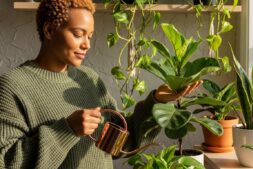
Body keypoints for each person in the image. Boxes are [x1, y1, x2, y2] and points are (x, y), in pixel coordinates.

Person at [0, 0, 201, 168]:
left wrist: (156, 102)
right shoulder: (13, 85)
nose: (86, 44)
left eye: (90, 36)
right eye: (78, 34)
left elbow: (121, 143)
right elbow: (6, 161)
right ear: (49, 30)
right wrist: (67, 129)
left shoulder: (89, 79)